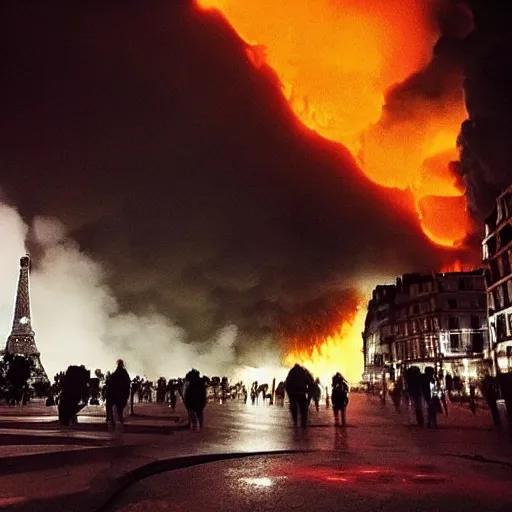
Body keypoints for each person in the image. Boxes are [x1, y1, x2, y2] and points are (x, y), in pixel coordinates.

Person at [105, 359, 131, 429]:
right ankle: (116, 418)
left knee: (113, 407)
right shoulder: (123, 373)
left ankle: (111, 418)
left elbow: (110, 383)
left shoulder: (115, 374)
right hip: (120, 393)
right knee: (119, 407)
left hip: (116, 392)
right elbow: (127, 382)